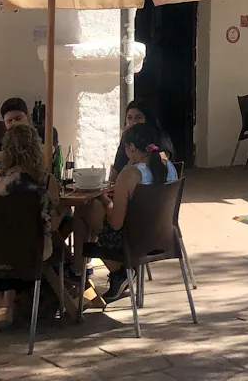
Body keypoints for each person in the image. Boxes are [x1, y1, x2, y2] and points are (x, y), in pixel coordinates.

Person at [73, 120, 178, 302]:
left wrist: (105, 200)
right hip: (163, 237)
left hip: (132, 242)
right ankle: (81, 269)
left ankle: (83, 269)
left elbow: (116, 223)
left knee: (85, 208)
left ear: (131, 147)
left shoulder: (130, 174)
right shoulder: (169, 167)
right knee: (90, 210)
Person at [0, 123, 52, 331]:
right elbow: (47, 224)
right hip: (30, 254)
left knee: (10, 240)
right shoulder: (37, 187)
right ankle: (64, 292)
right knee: (52, 243)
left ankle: (5, 304)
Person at [110, 100, 173, 178]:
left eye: (138, 118)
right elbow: (117, 167)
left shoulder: (159, 136)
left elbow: (164, 158)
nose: (133, 122)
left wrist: (137, 160)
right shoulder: (126, 140)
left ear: (148, 119)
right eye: (129, 118)